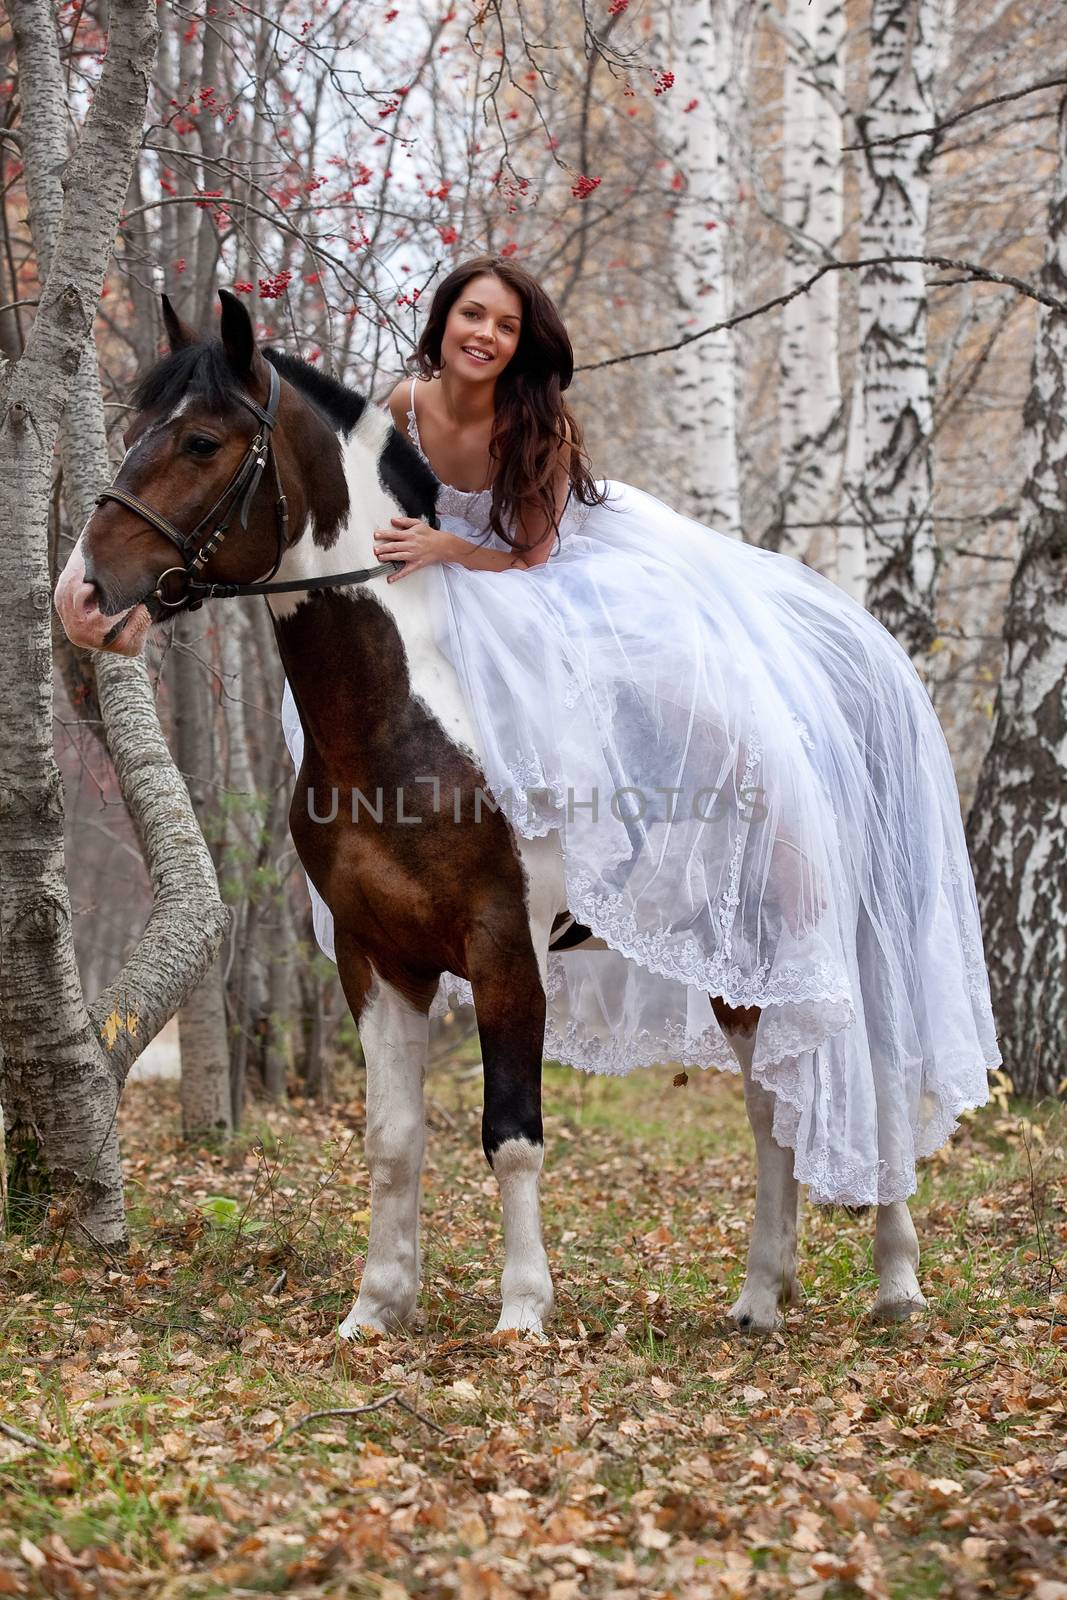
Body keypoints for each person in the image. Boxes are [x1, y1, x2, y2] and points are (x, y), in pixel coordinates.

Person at [280, 253, 1001, 1208]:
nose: (485, 336)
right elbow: (368, 506)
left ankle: (706, 841)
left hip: (548, 576)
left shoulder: (532, 420)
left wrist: (449, 546)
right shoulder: (401, 404)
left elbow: (532, 553)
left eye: (504, 326)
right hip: (434, 588)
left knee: (655, 689)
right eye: (472, 316)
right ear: (444, 319)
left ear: (521, 345)